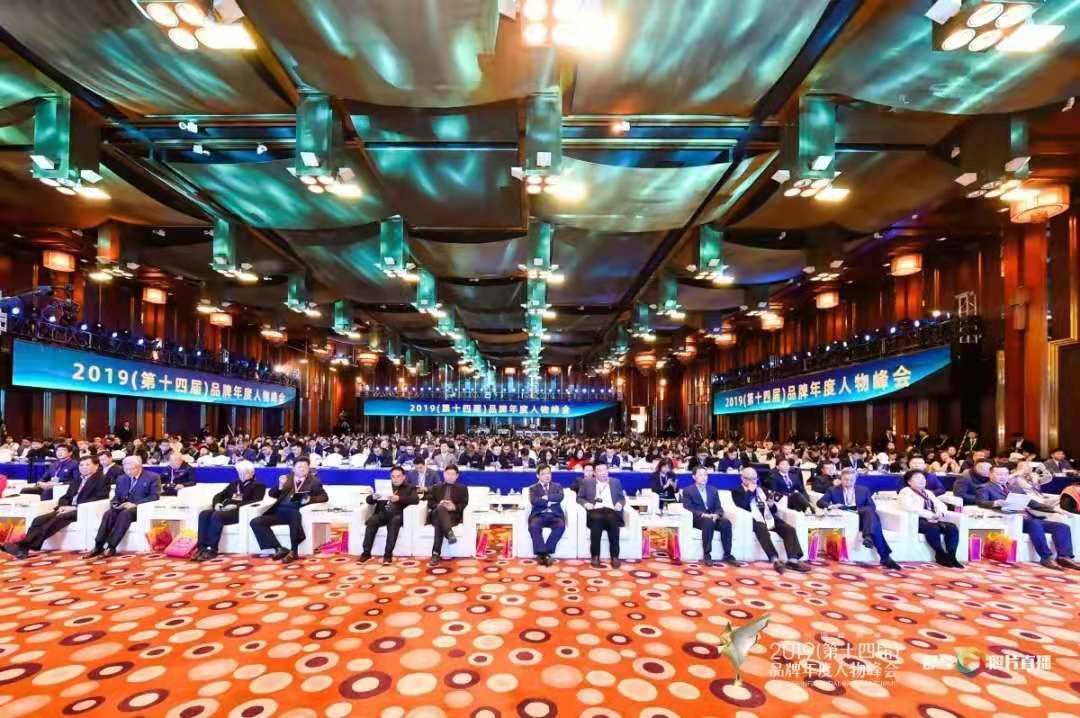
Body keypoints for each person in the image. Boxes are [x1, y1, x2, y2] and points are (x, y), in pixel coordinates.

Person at [3, 455, 110, 559]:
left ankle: (23, 546)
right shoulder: (77, 479)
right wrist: (62, 506)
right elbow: (66, 496)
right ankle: (23, 549)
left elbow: (99, 498)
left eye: (87, 465)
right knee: (38, 519)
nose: (83, 467)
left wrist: (75, 507)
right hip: (67, 508)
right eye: (81, 465)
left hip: (83, 510)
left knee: (57, 519)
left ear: (96, 466)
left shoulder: (103, 479)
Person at [976, 466, 1079, 570]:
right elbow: (981, 502)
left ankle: (1064, 557)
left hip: (1030, 518)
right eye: (999, 474)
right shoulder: (984, 487)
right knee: (1035, 524)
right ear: (990, 474)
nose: (1003, 477)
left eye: (1005, 474)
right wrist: (995, 503)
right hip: (1012, 520)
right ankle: (1046, 557)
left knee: (1062, 527)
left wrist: (1055, 509)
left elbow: (1032, 503)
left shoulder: (1014, 488)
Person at [817, 468, 902, 570]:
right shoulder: (832, 490)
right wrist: (831, 506)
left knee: (869, 511)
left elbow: (872, 506)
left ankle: (869, 537)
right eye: (845, 479)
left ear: (855, 479)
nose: (848, 482)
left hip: (863, 518)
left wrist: (858, 511)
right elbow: (820, 502)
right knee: (873, 522)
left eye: (851, 480)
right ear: (841, 479)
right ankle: (884, 555)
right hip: (845, 517)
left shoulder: (863, 490)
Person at [730, 467, 811, 574]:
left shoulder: (762, 490)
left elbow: (774, 510)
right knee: (761, 528)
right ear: (743, 478)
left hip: (768, 517)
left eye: (754, 479)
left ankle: (792, 560)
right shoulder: (737, 491)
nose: (753, 481)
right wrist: (749, 491)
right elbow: (742, 506)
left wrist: (771, 504)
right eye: (749, 479)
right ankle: (775, 559)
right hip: (753, 519)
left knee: (789, 529)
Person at [249, 457, 328, 563]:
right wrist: (280, 486)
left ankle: (294, 552)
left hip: (296, 512)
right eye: (299, 467)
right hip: (279, 512)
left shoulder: (314, 481)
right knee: (255, 522)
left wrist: (310, 499)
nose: (302, 469)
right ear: (293, 469)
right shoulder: (286, 478)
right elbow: (272, 494)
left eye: (305, 467)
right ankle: (278, 548)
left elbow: (324, 497)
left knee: (294, 513)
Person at [84, 456, 161, 558]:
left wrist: (135, 504)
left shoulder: (153, 477)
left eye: (131, 469)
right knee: (109, 513)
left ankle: (111, 546)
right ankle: (98, 545)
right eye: (126, 469)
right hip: (123, 506)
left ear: (139, 467)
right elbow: (117, 496)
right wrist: (115, 503)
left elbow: (154, 496)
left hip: (140, 508)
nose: (128, 472)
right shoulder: (121, 478)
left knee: (125, 514)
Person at [193, 460, 266, 561]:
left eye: (245, 473)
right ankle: (201, 548)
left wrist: (236, 506)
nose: (242, 476)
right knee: (204, 514)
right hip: (224, 510)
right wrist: (217, 504)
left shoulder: (258, 485)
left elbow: (256, 501)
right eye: (240, 473)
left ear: (252, 473)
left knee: (217, 515)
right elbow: (219, 495)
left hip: (239, 512)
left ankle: (212, 549)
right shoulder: (235, 484)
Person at [899, 470, 961, 568]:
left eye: (923, 478)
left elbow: (940, 504)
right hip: (917, 519)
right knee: (933, 528)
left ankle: (952, 556)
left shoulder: (928, 492)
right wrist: (929, 515)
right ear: (909, 482)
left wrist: (940, 512)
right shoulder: (905, 491)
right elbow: (909, 508)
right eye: (917, 478)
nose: (921, 480)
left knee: (952, 527)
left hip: (934, 519)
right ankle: (940, 554)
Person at [360, 465, 418, 564]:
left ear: (404, 477)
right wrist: (373, 497)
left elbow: (415, 500)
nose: (395, 479)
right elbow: (368, 500)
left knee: (394, 522)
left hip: (397, 514)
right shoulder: (384, 486)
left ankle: (387, 554)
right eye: (393, 477)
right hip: (383, 513)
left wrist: (399, 499)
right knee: (372, 520)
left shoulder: (410, 488)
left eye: (398, 476)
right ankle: (366, 553)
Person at [680, 465, 736, 566]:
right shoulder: (688, 490)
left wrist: (717, 515)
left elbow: (719, 507)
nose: (704, 477)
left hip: (713, 518)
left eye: (705, 475)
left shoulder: (713, 490)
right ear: (694, 477)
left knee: (726, 522)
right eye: (700, 475)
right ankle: (707, 554)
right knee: (708, 522)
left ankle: (728, 555)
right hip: (698, 519)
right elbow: (688, 508)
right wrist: (704, 515)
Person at [576, 461, 626, 569]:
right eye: (599, 470)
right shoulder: (587, 482)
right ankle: (595, 556)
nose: (603, 473)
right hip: (595, 511)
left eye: (605, 470)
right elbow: (579, 498)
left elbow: (622, 498)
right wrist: (586, 504)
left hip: (611, 511)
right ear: (594, 473)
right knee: (596, 520)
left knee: (613, 521)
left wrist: (620, 504)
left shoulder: (615, 482)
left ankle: (615, 557)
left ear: (608, 471)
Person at [426, 464, 469, 566]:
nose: (450, 476)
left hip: (452, 516)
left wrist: (454, 507)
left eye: (452, 474)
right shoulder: (436, 487)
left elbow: (464, 504)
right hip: (436, 513)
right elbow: (430, 503)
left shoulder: (462, 488)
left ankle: (435, 554)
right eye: (448, 474)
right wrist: (439, 504)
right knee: (440, 509)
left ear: (457, 476)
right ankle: (449, 533)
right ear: (444, 474)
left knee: (439, 523)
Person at [528, 463, 566, 565]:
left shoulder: (557, 486)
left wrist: (547, 497)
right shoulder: (533, 488)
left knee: (561, 525)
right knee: (533, 526)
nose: (547, 476)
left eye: (548, 473)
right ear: (538, 476)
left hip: (555, 515)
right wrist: (549, 502)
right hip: (539, 515)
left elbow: (560, 497)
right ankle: (543, 554)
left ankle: (545, 553)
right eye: (543, 474)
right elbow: (534, 501)